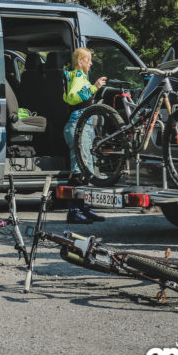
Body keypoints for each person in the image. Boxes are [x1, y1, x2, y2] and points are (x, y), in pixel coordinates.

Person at [62, 47, 107, 224]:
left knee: (85, 168)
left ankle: (83, 208)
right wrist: (94, 88)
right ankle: (74, 211)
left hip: (82, 126)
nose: (91, 63)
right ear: (80, 61)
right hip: (78, 126)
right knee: (78, 169)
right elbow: (73, 98)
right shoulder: (78, 76)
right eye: (88, 60)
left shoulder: (78, 77)